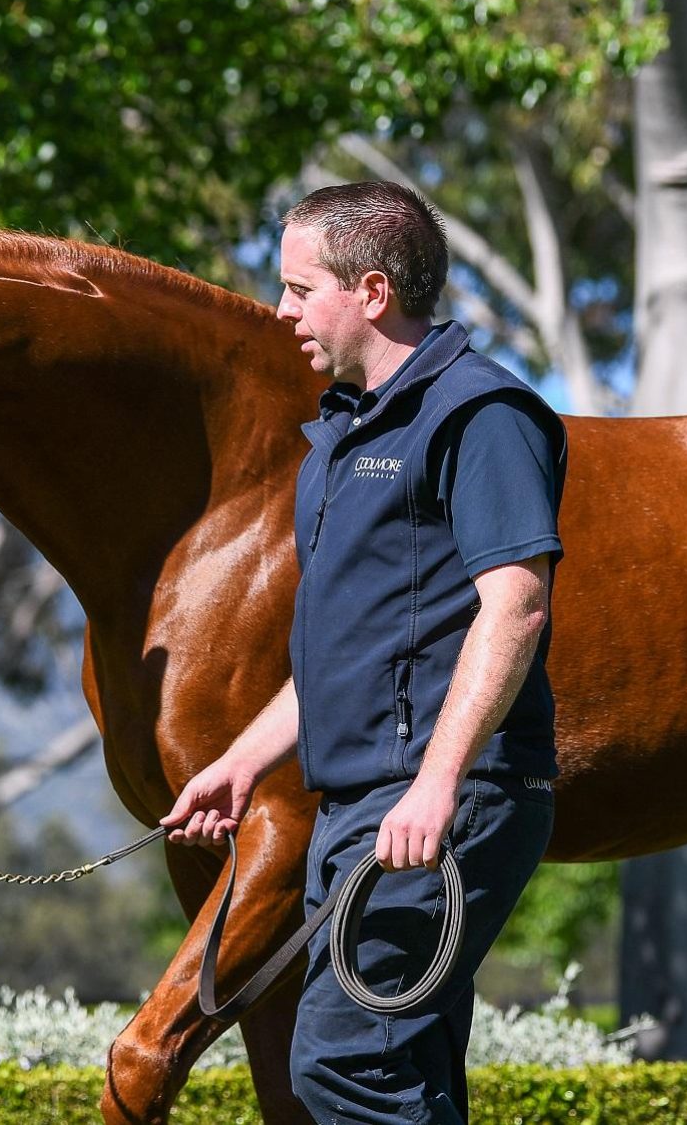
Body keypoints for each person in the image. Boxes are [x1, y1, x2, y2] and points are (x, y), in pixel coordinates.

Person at [160, 181, 567, 1124]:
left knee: (344, 1065)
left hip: (434, 808)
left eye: (301, 290)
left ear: (372, 291)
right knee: (408, 1072)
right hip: (361, 807)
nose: (282, 312)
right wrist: (241, 762)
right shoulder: (341, 437)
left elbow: (515, 607)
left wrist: (435, 785)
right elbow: (347, 653)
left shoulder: (481, 413)